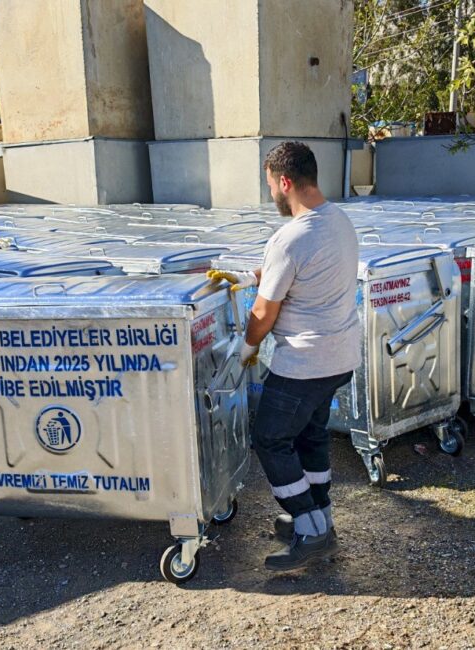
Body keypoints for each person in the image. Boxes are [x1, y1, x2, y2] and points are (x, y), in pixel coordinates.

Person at [208, 142, 361, 571]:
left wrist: (246, 348)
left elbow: (262, 313)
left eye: (271, 184)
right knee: (310, 437)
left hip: (304, 365)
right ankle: (321, 515)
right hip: (339, 359)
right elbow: (299, 272)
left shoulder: (290, 237)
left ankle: (310, 530)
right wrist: (246, 274)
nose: (270, 193)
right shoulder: (339, 221)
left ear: (285, 181)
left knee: (271, 438)